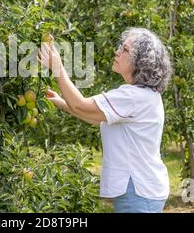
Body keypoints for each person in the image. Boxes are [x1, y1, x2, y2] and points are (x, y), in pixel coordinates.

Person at [37, 27, 173, 213]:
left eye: (125, 50)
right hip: (143, 188)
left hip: (138, 191)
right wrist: (61, 102)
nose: (117, 51)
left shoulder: (132, 97)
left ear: (140, 61)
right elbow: (95, 117)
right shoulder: (144, 95)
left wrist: (58, 68)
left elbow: (80, 105)